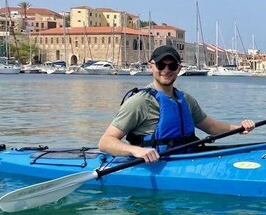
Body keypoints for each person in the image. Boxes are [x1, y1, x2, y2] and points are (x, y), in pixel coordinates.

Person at [98, 45, 256, 162]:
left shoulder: (186, 100)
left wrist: (240, 128)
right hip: (154, 165)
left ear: (179, 68)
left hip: (186, 161)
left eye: (172, 66)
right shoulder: (139, 102)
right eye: (161, 65)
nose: (166, 70)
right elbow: (105, 142)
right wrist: (135, 151)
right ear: (151, 66)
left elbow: (212, 127)